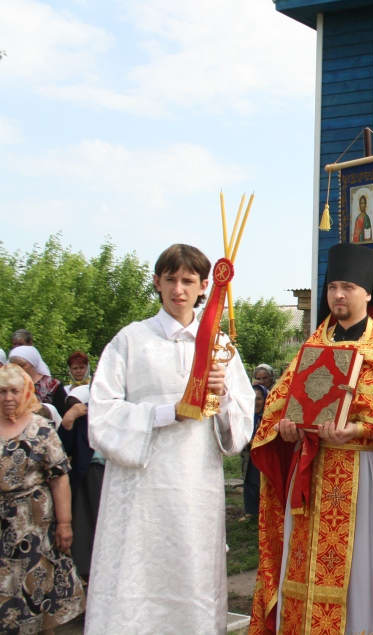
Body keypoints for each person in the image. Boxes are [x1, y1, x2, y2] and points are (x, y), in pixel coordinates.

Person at [86, 243, 255, 633]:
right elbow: (102, 414)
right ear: (157, 282)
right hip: (139, 488)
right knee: (135, 577)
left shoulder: (221, 345)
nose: (179, 289)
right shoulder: (131, 340)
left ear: (204, 286)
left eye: (188, 281)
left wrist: (222, 392)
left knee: (190, 573)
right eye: (171, 279)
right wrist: (167, 413)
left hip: (194, 485)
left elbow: (240, 427)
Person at [249, 243, 373, 634]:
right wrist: (284, 429)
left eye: (348, 288)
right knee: (301, 564)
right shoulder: (312, 345)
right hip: (310, 474)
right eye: (332, 287)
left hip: (362, 475)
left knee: (359, 568)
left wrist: (359, 429)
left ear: (368, 292)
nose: (338, 295)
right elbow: (279, 408)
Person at [0, 364, 85, 632]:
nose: (8, 398)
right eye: (2, 392)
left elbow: (59, 478)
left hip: (36, 527)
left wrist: (65, 524)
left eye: (14, 391)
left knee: (39, 592)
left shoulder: (42, 428)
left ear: (25, 392)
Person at [59, 381, 105, 582]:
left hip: (112, 471)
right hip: (88, 474)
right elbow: (62, 448)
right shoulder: (79, 419)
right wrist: (68, 421)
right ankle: (86, 570)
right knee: (86, 521)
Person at [9, 345, 68, 421]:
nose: (17, 369)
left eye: (22, 365)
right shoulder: (9, 387)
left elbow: (64, 416)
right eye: (13, 366)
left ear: (33, 364)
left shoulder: (53, 386)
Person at [240, 382, 267, 520]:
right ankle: (250, 511)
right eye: (252, 398)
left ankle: (264, 512)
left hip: (264, 455)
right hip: (248, 454)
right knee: (249, 480)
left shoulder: (268, 417)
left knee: (262, 482)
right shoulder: (246, 416)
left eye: (259, 399)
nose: (255, 402)